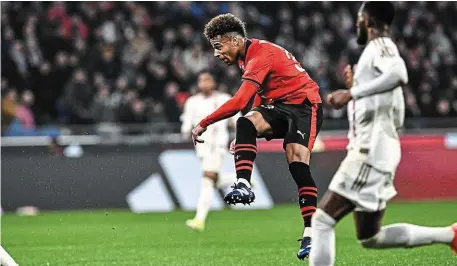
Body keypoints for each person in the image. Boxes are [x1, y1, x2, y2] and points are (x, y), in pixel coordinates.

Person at [309, 2, 457, 266]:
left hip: (370, 153)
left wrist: (352, 93)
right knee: (370, 237)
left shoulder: (381, 46)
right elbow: (381, 105)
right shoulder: (378, 53)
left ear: (366, 19)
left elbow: (399, 73)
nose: (356, 25)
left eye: (358, 19)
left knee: (322, 221)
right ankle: (450, 235)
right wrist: (356, 90)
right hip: (379, 150)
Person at [190, 13, 323, 259]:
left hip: (305, 106)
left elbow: (240, 99)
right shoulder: (246, 56)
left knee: (297, 164)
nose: (217, 54)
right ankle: (243, 184)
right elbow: (259, 96)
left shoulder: (261, 54)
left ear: (235, 41)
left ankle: (311, 232)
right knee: (245, 122)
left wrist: (203, 123)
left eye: (219, 47)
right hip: (280, 106)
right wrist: (247, 133)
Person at [181, 70, 239, 232]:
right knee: (212, 178)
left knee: (208, 178)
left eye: (207, 80)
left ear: (214, 82)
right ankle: (241, 180)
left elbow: (237, 119)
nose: (204, 83)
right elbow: (186, 123)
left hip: (217, 145)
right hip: (201, 147)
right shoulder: (192, 102)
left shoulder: (223, 99)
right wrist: (186, 131)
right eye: (201, 80)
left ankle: (199, 219)